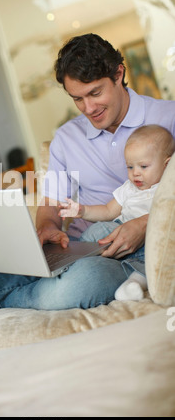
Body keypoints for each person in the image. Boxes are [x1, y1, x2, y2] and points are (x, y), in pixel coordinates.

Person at [0, 33, 175, 402]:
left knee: (78, 285)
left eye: (95, 93)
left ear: (120, 74)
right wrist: (48, 228)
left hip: (127, 254)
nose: (88, 108)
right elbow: (51, 204)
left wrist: (146, 222)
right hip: (77, 245)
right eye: (77, 98)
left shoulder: (166, 117)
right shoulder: (66, 139)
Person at [59, 124, 175, 301]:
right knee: (99, 230)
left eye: (143, 166)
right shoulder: (129, 188)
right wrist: (83, 211)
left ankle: (133, 285)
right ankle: (72, 261)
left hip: (153, 243)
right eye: (130, 167)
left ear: (167, 165)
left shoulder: (168, 188)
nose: (135, 173)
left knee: (153, 263)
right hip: (118, 233)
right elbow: (108, 210)